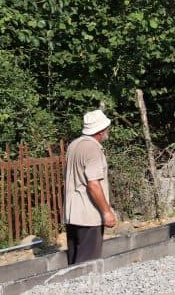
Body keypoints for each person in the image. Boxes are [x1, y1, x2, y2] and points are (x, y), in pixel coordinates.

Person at [64, 109, 117, 264]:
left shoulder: (74, 145)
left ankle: (70, 287)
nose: (108, 131)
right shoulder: (93, 149)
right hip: (88, 214)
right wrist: (106, 212)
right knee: (87, 264)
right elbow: (93, 184)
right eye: (106, 128)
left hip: (72, 213)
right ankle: (84, 288)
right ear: (100, 131)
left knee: (74, 259)